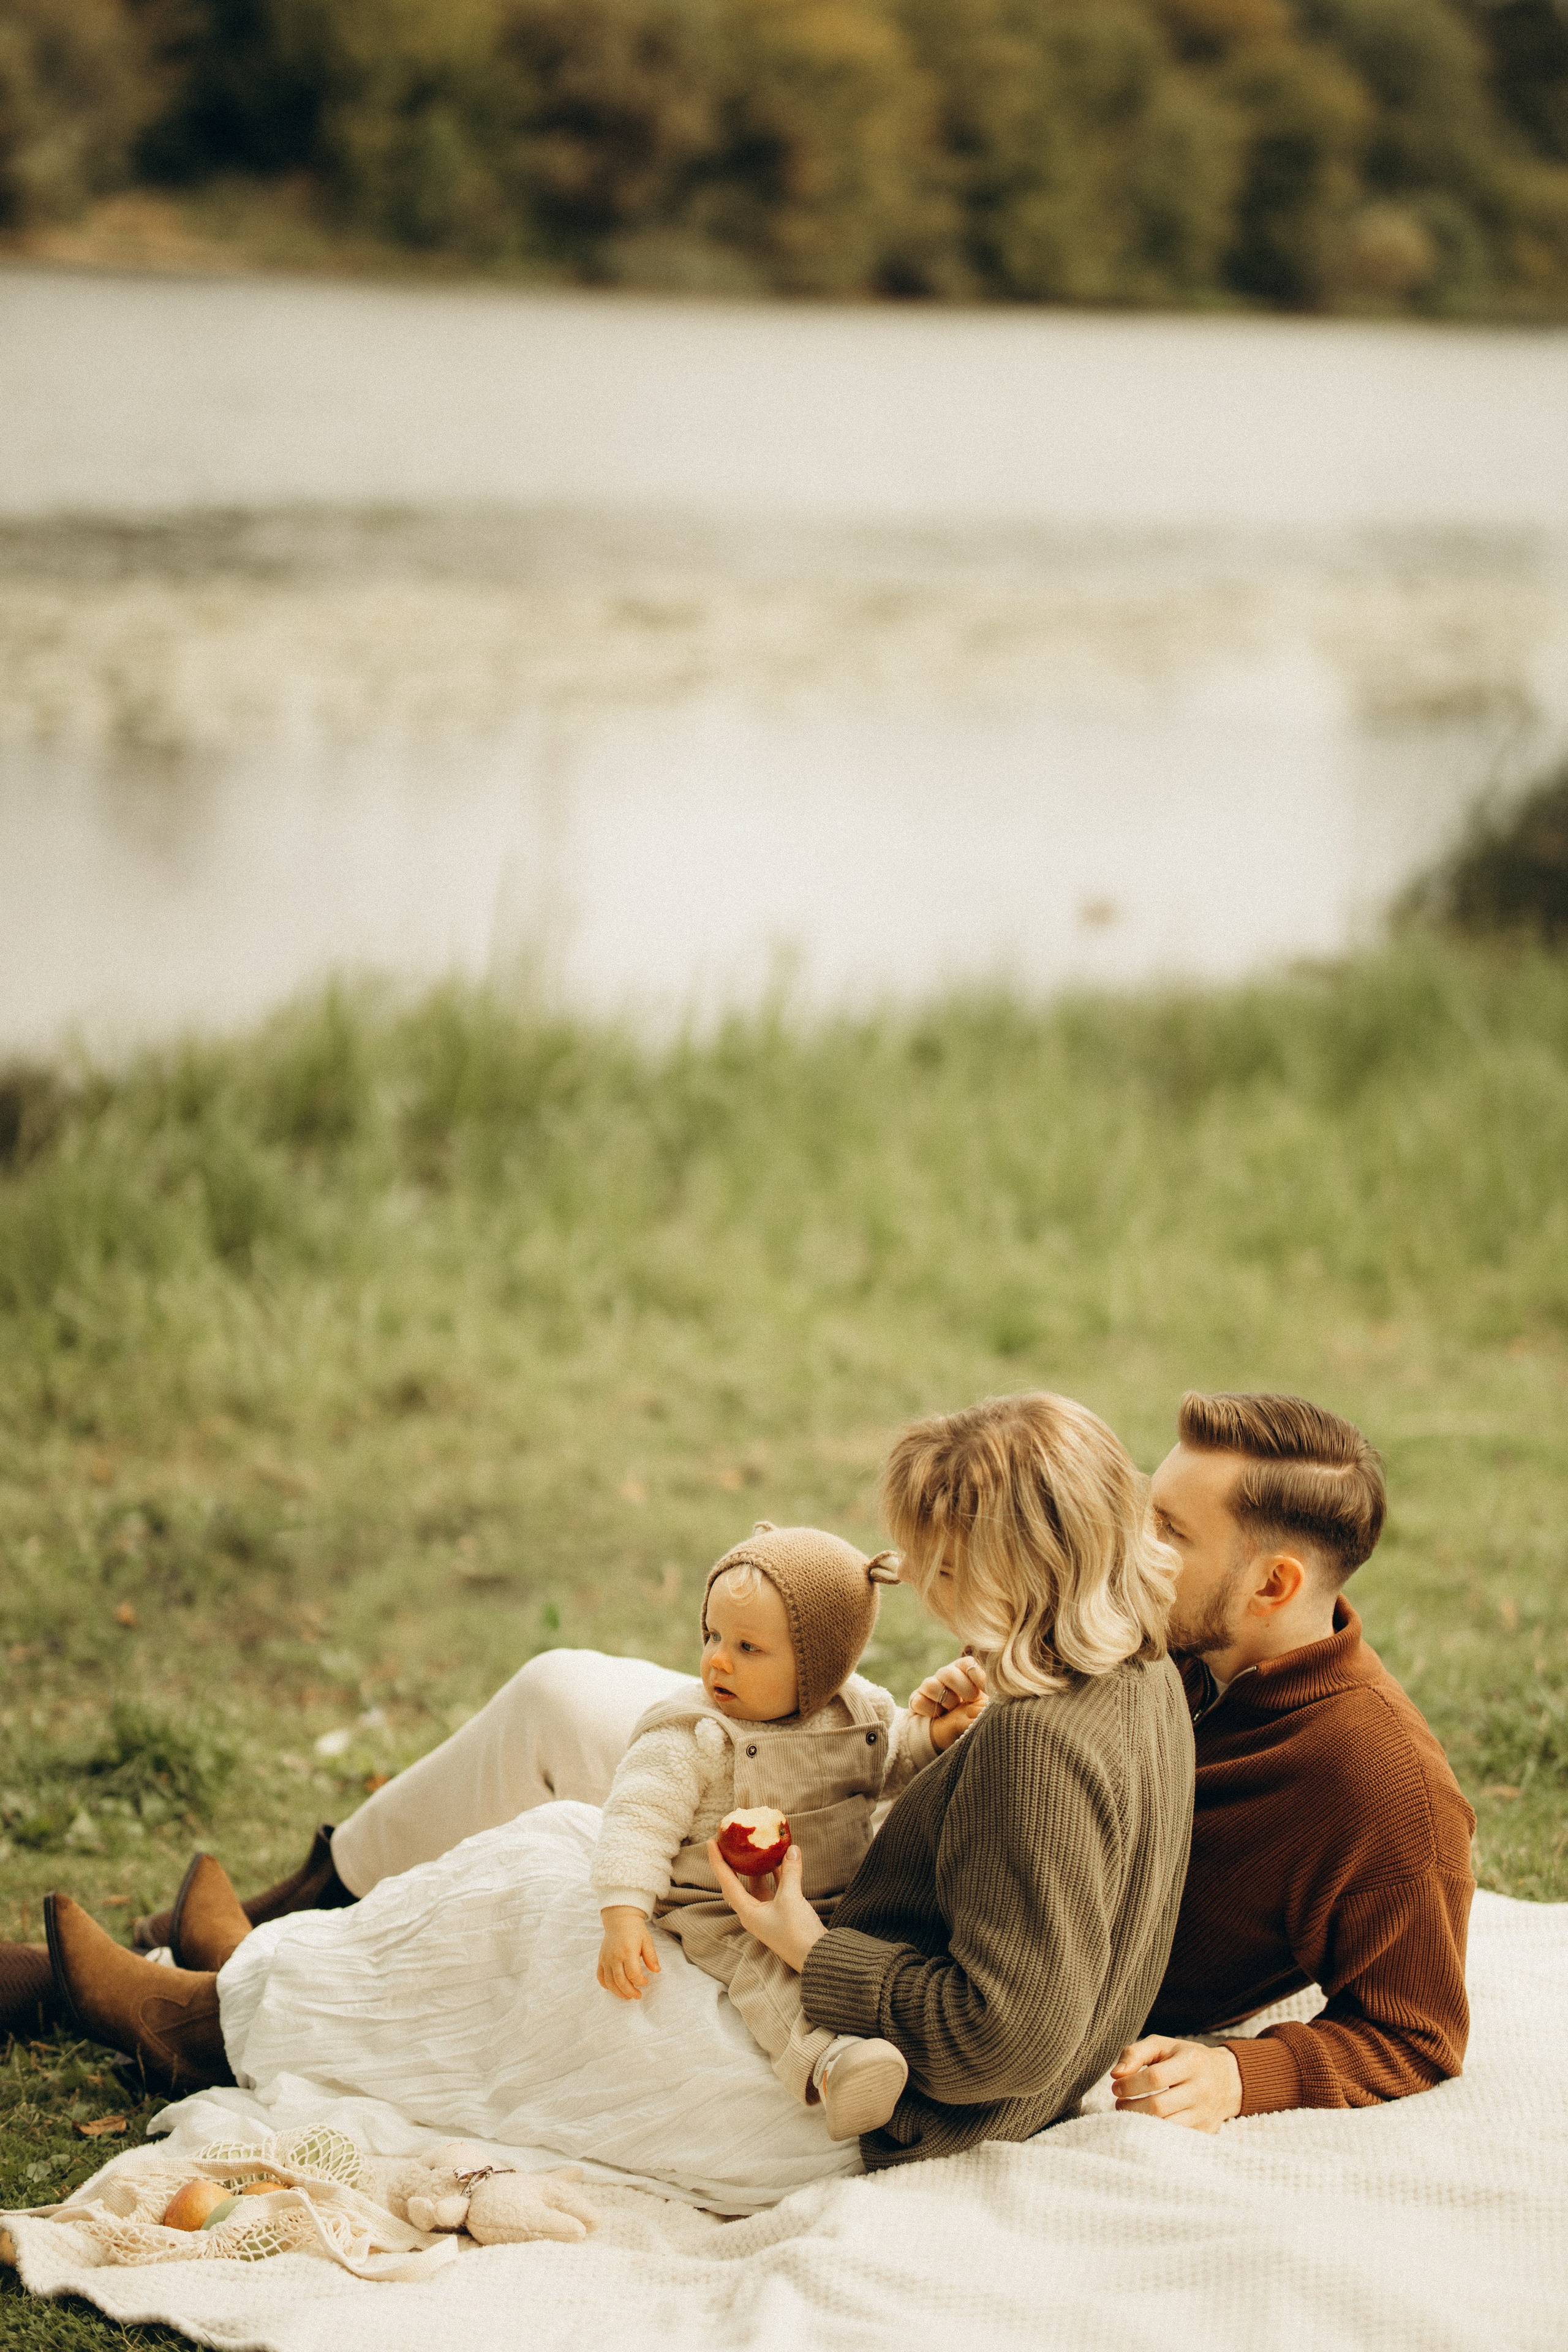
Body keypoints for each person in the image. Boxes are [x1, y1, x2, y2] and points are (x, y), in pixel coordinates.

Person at [32, 1392, 1196, 2187]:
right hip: (898, 2063)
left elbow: (1007, 2035)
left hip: (880, 2109)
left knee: (535, 1886)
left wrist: (798, 1937)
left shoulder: (1046, 1746)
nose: (935, 1597)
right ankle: (247, 1977)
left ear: (1008, 1566)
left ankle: (198, 2022)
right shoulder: (1137, 1680)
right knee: (567, 1852)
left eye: (943, 1570)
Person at [590, 1520, 974, 2139]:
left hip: (838, 1891)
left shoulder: (861, 1709)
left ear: (821, 1664)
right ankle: (831, 2064)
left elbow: (892, 1758)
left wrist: (932, 1738)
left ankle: (918, 2051)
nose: (717, 1657)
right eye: (713, 1634)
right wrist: (624, 1913)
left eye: (747, 1648)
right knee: (766, 1973)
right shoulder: (696, 1733)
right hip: (727, 1903)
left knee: (893, 1948)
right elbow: (638, 1817)